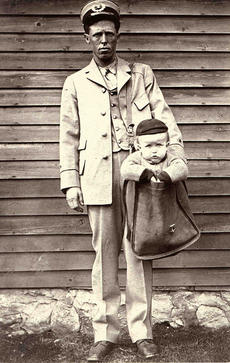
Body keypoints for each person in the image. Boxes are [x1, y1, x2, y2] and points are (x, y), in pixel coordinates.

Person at [59, 1, 186, 360]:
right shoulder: (75, 84)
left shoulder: (141, 74)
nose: (104, 41)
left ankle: (141, 332)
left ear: (118, 37)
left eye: (109, 35)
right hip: (97, 177)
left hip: (140, 177)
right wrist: (71, 182)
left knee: (139, 252)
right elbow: (68, 135)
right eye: (96, 34)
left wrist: (173, 164)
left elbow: (165, 120)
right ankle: (105, 332)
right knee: (104, 257)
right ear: (87, 38)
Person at [120, 118, 188, 185]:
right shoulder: (136, 157)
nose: (154, 150)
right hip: (143, 194)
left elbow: (182, 169)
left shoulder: (170, 158)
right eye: (148, 146)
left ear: (167, 145)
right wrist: (145, 174)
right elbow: (125, 169)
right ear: (139, 147)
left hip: (167, 194)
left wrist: (165, 176)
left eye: (159, 145)